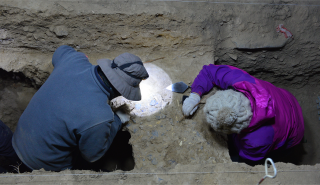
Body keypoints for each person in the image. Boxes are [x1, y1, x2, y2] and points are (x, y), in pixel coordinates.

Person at [12, 45, 149, 171]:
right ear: (121, 90)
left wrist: (81, 57)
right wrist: (117, 120)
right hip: (42, 165)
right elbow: (92, 155)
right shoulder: (100, 116)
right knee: (86, 162)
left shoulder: (74, 60)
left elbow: (62, 50)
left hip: (19, 139)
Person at [182, 64, 304, 163]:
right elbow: (209, 72)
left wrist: (232, 138)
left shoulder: (256, 140)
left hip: (293, 135)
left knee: (237, 159)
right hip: (286, 99)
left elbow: (250, 159)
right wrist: (195, 95)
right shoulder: (242, 83)